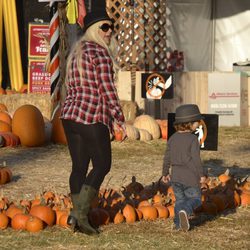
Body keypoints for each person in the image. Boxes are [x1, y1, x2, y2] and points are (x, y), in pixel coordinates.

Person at [60, 9, 126, 235]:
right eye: (104, 27)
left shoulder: (75, 51)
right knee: (102, 165)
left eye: (112, 27)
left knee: (78, 168)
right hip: (90, 116)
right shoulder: (99, 53)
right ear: (92, 30)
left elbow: (69, 85)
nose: (110, 32)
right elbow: (107, 90)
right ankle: (78, 215)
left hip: (69, 116)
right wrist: (119, 118)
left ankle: (79, 218)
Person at [161, 104, 206, 231]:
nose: (198, 124)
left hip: (176, 177)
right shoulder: (193, 139)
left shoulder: (172, 138)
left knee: (180, 201)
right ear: (189, 123)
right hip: (190, 177)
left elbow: (167, 157)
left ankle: (178, 224)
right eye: (197, 122)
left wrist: (165, 173)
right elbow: (196, 159)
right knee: (196, 199)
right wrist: (201, 175)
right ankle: (185, 211)